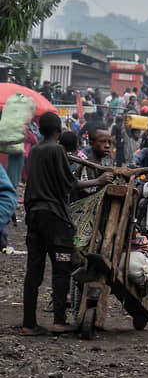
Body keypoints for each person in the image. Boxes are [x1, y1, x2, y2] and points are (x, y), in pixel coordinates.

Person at [21, 112, 113, 336]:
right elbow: (70, 183)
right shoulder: (57, 150)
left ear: (40, 130)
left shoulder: (34, 151)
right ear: (59, 130)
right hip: (54, 217)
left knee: (33, 271)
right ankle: (59, 321)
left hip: (34, 215)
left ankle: (28, 323)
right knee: (61, 269)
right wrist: (99, 180)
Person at [73, 128, 113, 201]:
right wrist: (99, 181)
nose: (107, 145)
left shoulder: (102, 164)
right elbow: (87, 193)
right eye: (103, 141)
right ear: (91, 143)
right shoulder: (86, 166)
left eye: (109, 142)